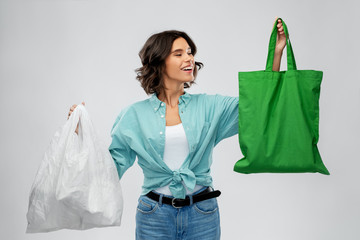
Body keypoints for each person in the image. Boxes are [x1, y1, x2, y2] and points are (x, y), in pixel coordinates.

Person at [68, 18, 286, 240]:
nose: (189, 58)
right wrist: (81, 137)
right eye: (179, 53)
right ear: (159, 61)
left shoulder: (211, 107)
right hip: (153, 215)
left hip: (203, 213)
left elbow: (259, 108)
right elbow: (111, 170)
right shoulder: (132, 115)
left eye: (190, 52)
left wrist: (277, 54)